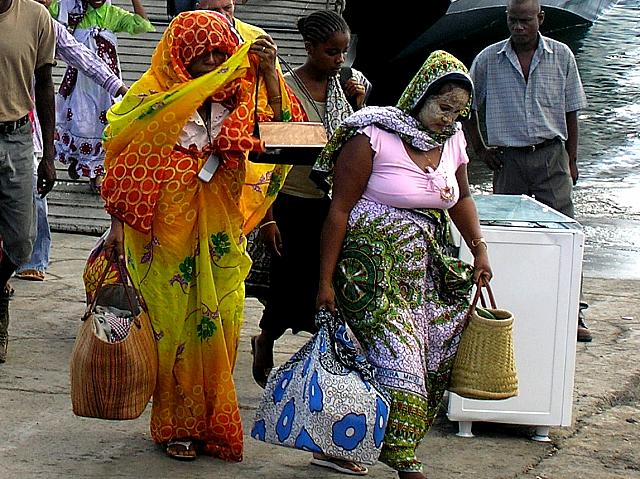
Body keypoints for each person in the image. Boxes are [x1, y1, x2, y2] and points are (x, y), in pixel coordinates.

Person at [98, 10, 305, 461]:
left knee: (222, 321)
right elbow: (120, 159)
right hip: (162, 232)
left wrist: (270, 76)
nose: (212, 60)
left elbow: (286, 140)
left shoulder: (244, 93)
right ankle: (177, 426)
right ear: (180, 55)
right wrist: (116, 226)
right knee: (171, 327)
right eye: (200, 53)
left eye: (219, 51)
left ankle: (214, 422)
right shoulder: (151, 95)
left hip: (222, 231)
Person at [314, 50, 493, 478]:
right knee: (399, 361)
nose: (449, 118)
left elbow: (462, 198)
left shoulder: (452, 141)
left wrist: (479, 248)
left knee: (423, 358)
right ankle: (403, 460)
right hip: (367, 273)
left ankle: (340, 444)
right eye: (443, 106)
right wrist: (325, 282)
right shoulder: (373, 134)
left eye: (459, 111)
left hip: (422, 276)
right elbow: (338, 209)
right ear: (420, 95)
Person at [250, 9, 370, 392]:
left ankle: (317, 365)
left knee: (323, 284)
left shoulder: (347, 87)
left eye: (343, 53)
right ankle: (265, 339)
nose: (338, 61)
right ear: (310, 48)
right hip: (289, 199)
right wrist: (266, 217)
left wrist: (359, 105)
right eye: (331, 52)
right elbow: (265, 155)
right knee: (285, 284)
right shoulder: (284, 87)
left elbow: (359, 144)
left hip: (330, 202)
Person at [463, 0, 591, 342]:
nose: (518, 27)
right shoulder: (488, 59)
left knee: (564, 233)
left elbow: (572, 111)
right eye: (512, 21)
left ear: (540, 19)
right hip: (508, 160)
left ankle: (572, 311)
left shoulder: (561, 55)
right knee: (505, 234)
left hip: (550, 155)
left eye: (525, 21)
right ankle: (508, 304)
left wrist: (572, 159)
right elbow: (467, 106)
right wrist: (479, 149)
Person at [15, 3, 128, 282]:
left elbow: (83, 58)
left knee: (33, 191)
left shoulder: (42, 22)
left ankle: (34, 257)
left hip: (23, 123)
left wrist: (118, 88)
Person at [0, 0, 56, 364]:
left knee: (22, 241)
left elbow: (45, 86)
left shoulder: (36, 16)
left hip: (17, 137)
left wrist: (49, 156)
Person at [49, 0, 155, 192]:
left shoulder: (113, 14)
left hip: (106, 86)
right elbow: (45, 7)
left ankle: (98, 172)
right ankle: (80, 160)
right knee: (81, 122)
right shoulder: (70, 11)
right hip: (80, 83)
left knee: (104, 124)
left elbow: (141, 25)